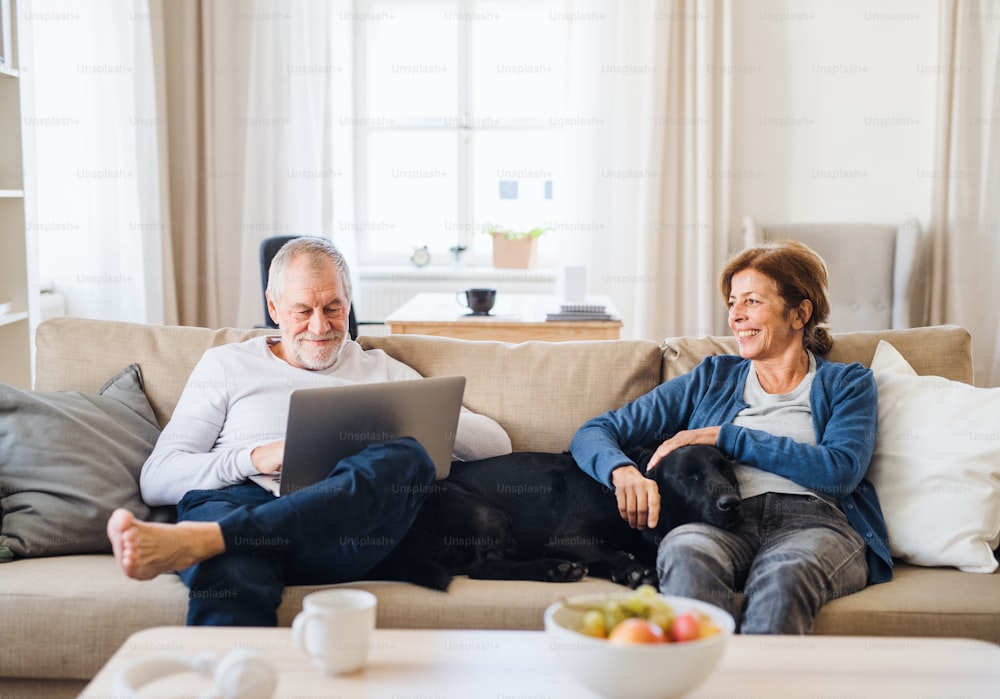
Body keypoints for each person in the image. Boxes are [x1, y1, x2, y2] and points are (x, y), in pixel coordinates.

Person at [107, 237, 512, 626]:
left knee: (406, 458)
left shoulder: (380, 369)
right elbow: (157, 478)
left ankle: (216, 539)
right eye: (303, 310)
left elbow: (496, 444)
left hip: (341, 530)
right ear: (273, 306)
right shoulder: (226, 365)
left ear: (348, 302)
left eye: (333, 308)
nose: (320, 327)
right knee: (232, 577)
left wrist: (411, 414)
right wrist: (253, 458)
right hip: (238, 501)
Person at [571, 240, 892, 634]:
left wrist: (728, 436)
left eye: (752, 302)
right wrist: (622, 472)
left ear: (800, 313)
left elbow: (840, 471)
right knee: (685, 551)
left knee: (786, 574)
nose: (736, 316)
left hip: (815, 525)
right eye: (732, 303)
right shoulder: (713, 377)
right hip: (721, 522)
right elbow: (595, 431)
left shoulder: (846, 383)